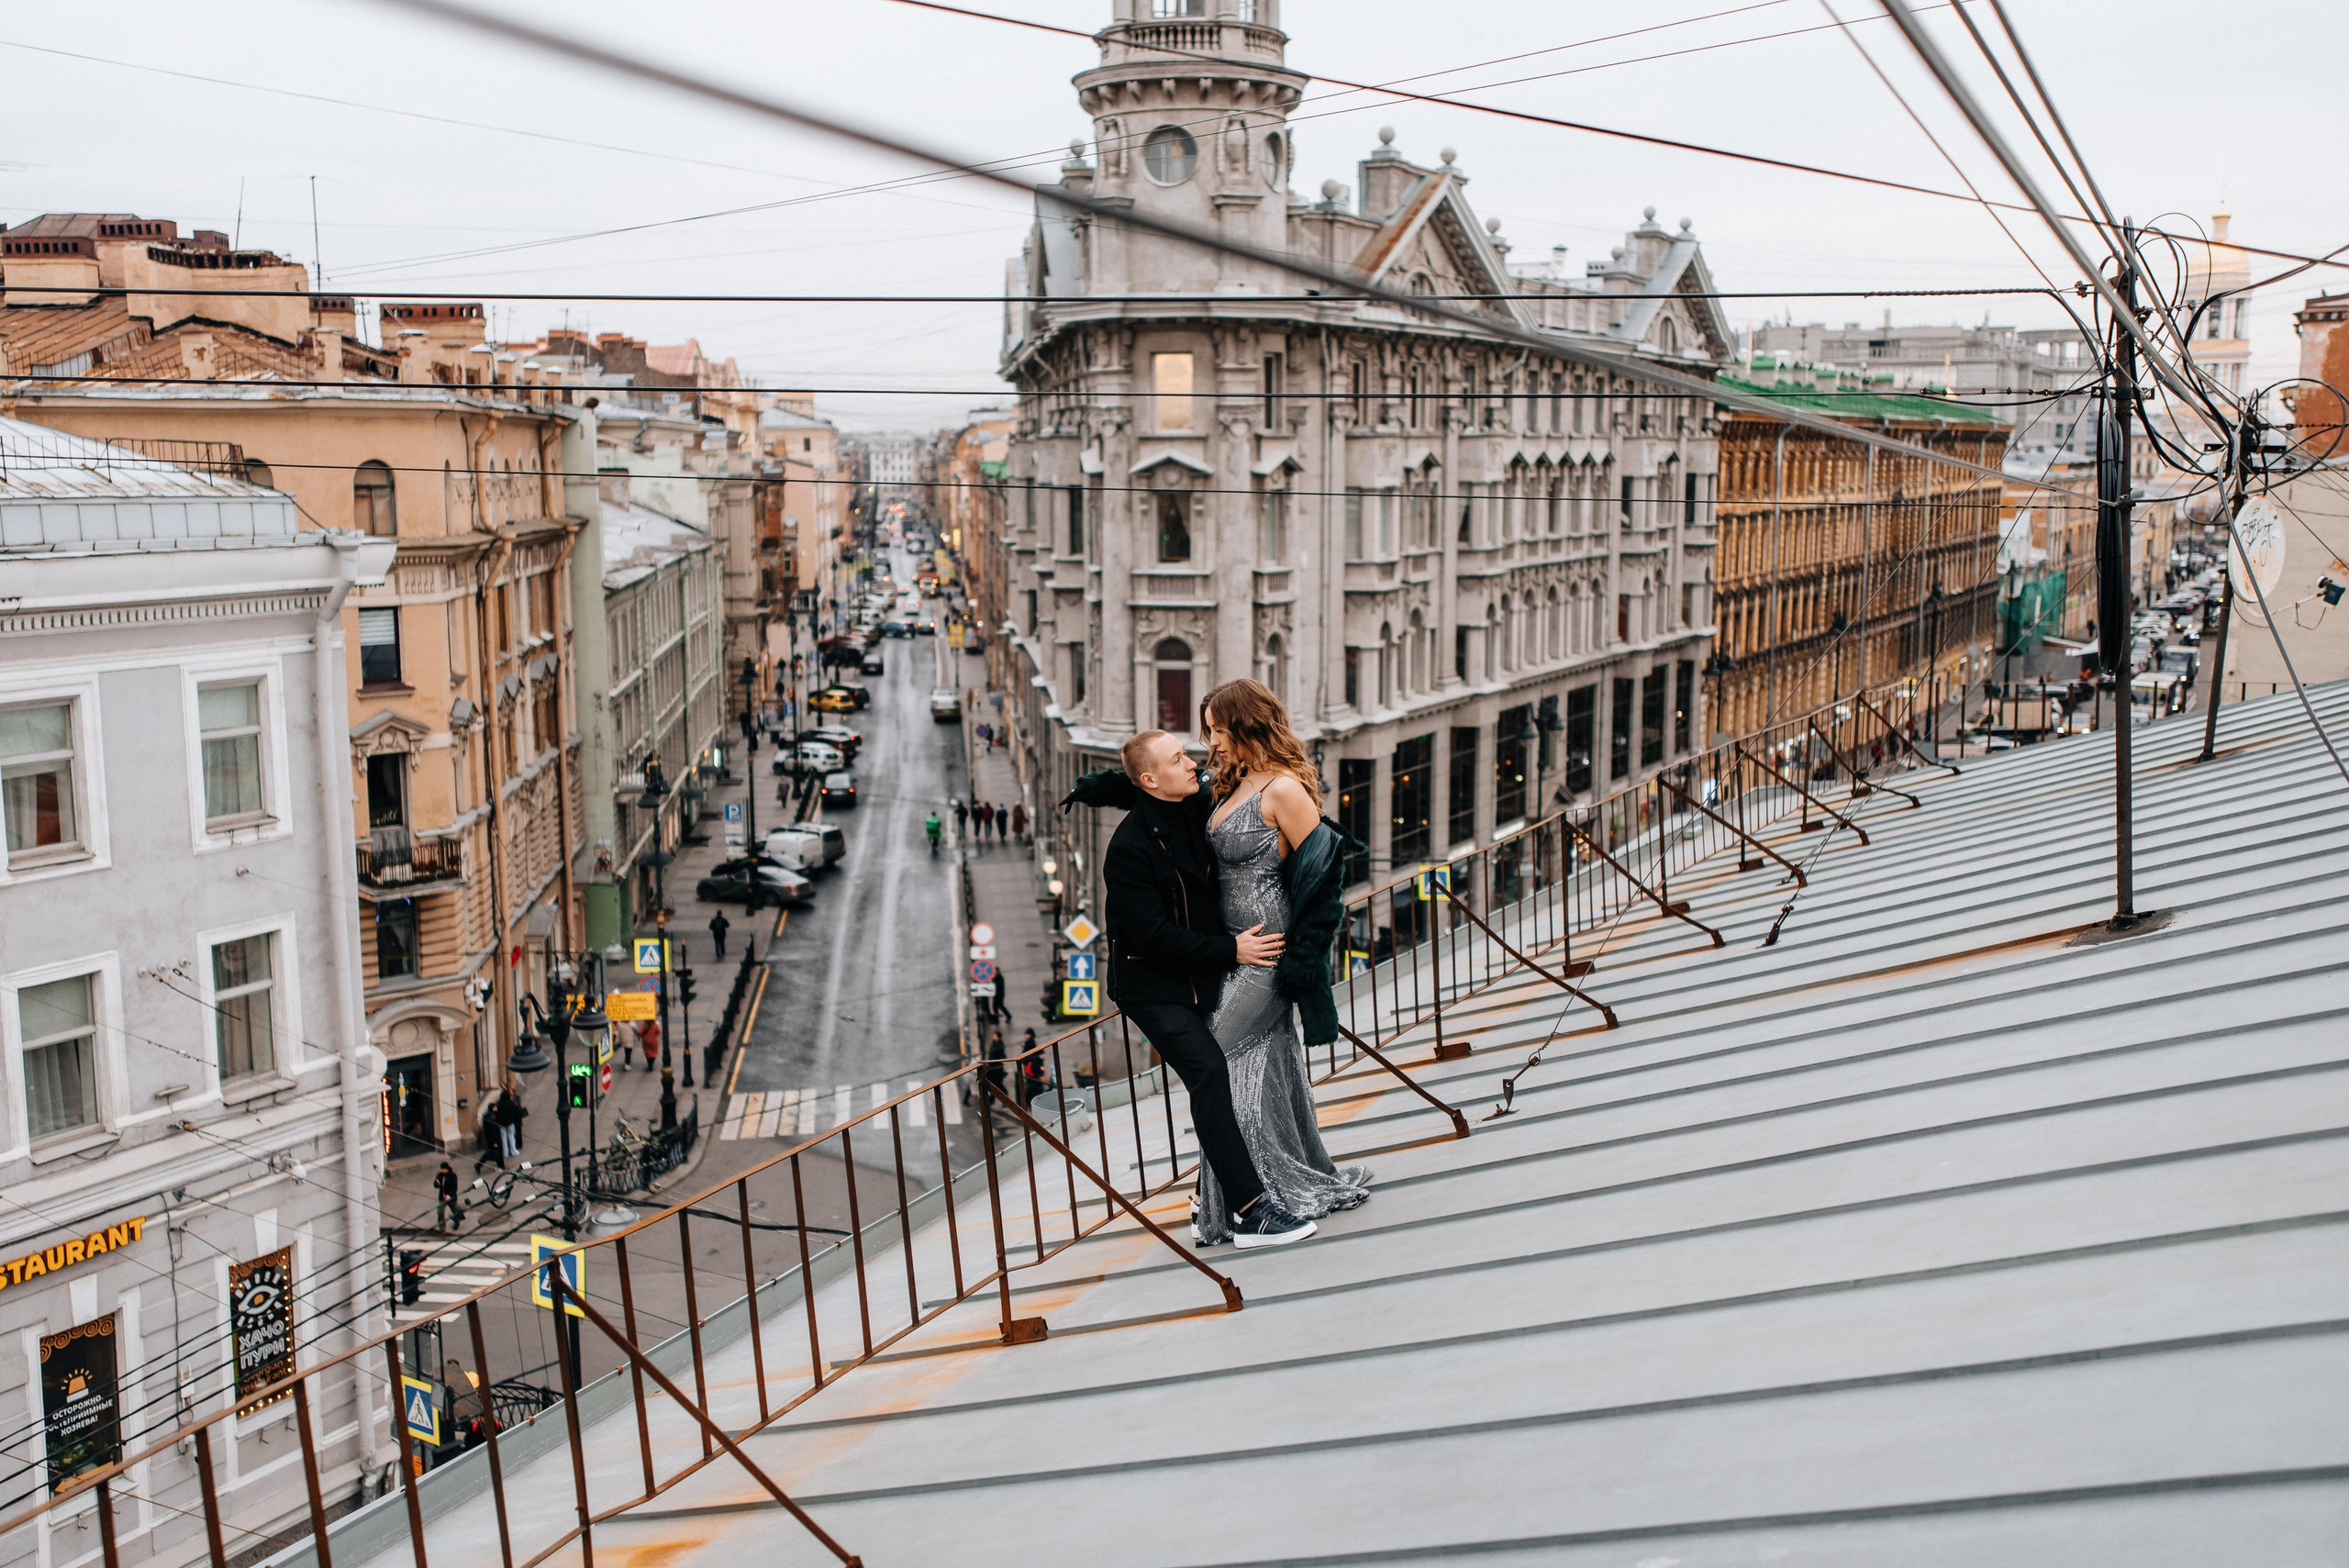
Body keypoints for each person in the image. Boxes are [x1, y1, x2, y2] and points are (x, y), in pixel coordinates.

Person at [1061, 730, 1313, 1250]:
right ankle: (1249, 1212)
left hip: (1204, 973)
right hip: (1153, 987)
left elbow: (1237, 792)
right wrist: (1231, 950)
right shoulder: (1127, 849)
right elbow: (1152, 937)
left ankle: (1210, 1199)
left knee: (1233, 1064)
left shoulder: (1197, 802)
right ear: (1151, 780)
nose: (1193, 762)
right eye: (1178, 759)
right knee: (1208, 1070)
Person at [434, 1161, 464, 1233]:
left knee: (455, 1211)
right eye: (441, 1169)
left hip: (451, 1198)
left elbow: (454, 1187)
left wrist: (449, 1195)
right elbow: (436, 1185)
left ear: (447, 1169)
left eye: (443, 1169)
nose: (442, 1171)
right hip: (442, 1198)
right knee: (440, 1212)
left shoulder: (453, 1175)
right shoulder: (440, 1175)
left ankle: (456, 1222)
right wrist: (437, 1183)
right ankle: (442, 1229)